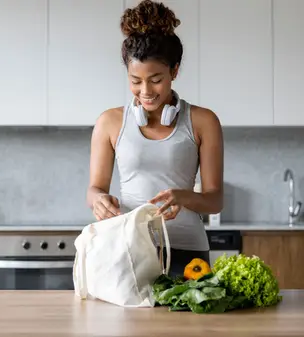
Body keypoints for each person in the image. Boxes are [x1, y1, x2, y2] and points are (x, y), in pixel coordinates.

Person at [86, 0, 224, 277]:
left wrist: (184, 197)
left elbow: (215, 200)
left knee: (188, 321)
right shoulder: (109, 122)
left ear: (174, 71)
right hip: (128, 247)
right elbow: (94, 189)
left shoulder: (203, 121)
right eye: (135, 80)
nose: (145, 90)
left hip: (187, 249)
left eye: (156, 79)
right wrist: (99, 200)